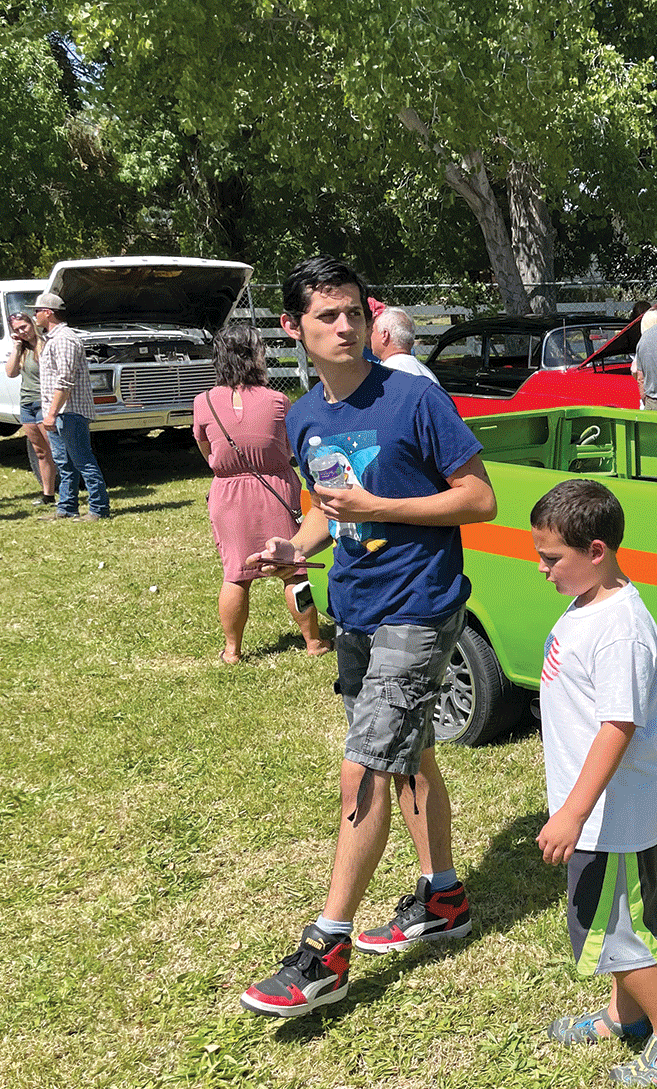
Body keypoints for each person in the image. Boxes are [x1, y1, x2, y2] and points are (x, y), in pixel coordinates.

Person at [239, 255, 497, 1018]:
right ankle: (444, 898)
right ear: (294, 328)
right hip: (354, 606)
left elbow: (480, 499)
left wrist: (381, 506)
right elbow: (330, 506)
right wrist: (298, 545)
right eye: (326, 316)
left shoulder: (413, 398)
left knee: (365, 766)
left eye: (352, 311)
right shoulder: (304, 416)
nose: (345, 326)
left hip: (419, 606)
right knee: (406, 751)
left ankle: (327, 948)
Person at [530, 478, 657, 1087]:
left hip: (612, 813)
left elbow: (617, 725)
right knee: (619, 918)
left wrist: (573, 812)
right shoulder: (590, 604)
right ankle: (622, 1013)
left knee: (610, 930)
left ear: (596, 550)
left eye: (552, 558)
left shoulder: (621, 629)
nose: (543, 569)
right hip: (602, 808)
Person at [193, 324, 333, 665]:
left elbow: (204, 448)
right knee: (294, 570)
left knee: (235, 574)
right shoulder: (278, 400)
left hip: (227, 494)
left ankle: (232, 650)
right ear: (256, 357)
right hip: (277, 489)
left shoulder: (203, 401)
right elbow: (287, 449)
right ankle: (313, 641)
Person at [34, 291, 111, 521]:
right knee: (64, 463)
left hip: (70, 412)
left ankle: (99, 508)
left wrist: (51, 414)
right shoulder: (52, 339)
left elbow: (64, 381)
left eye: (37, 311)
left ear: (48, 313)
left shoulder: (65, 339)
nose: (34, 315)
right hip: (59, 413)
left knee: (83, 461)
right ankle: (66, 507)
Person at [5, 310, 57, 506]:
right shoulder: (23, 349)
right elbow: (10, 373)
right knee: (40, 451)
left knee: (54, 449)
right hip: (27, 404)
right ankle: (48, 494)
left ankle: (69, 490)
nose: (23, 332)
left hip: (44, 402)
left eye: (24, 327)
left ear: (32, 324)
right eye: (17, 330)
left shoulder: (46, 345)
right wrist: (16, 347)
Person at [369, 305, 439, 382]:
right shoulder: (427, 373)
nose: (369, 336)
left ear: (385, 335)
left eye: (373, 331)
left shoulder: (386, 376)